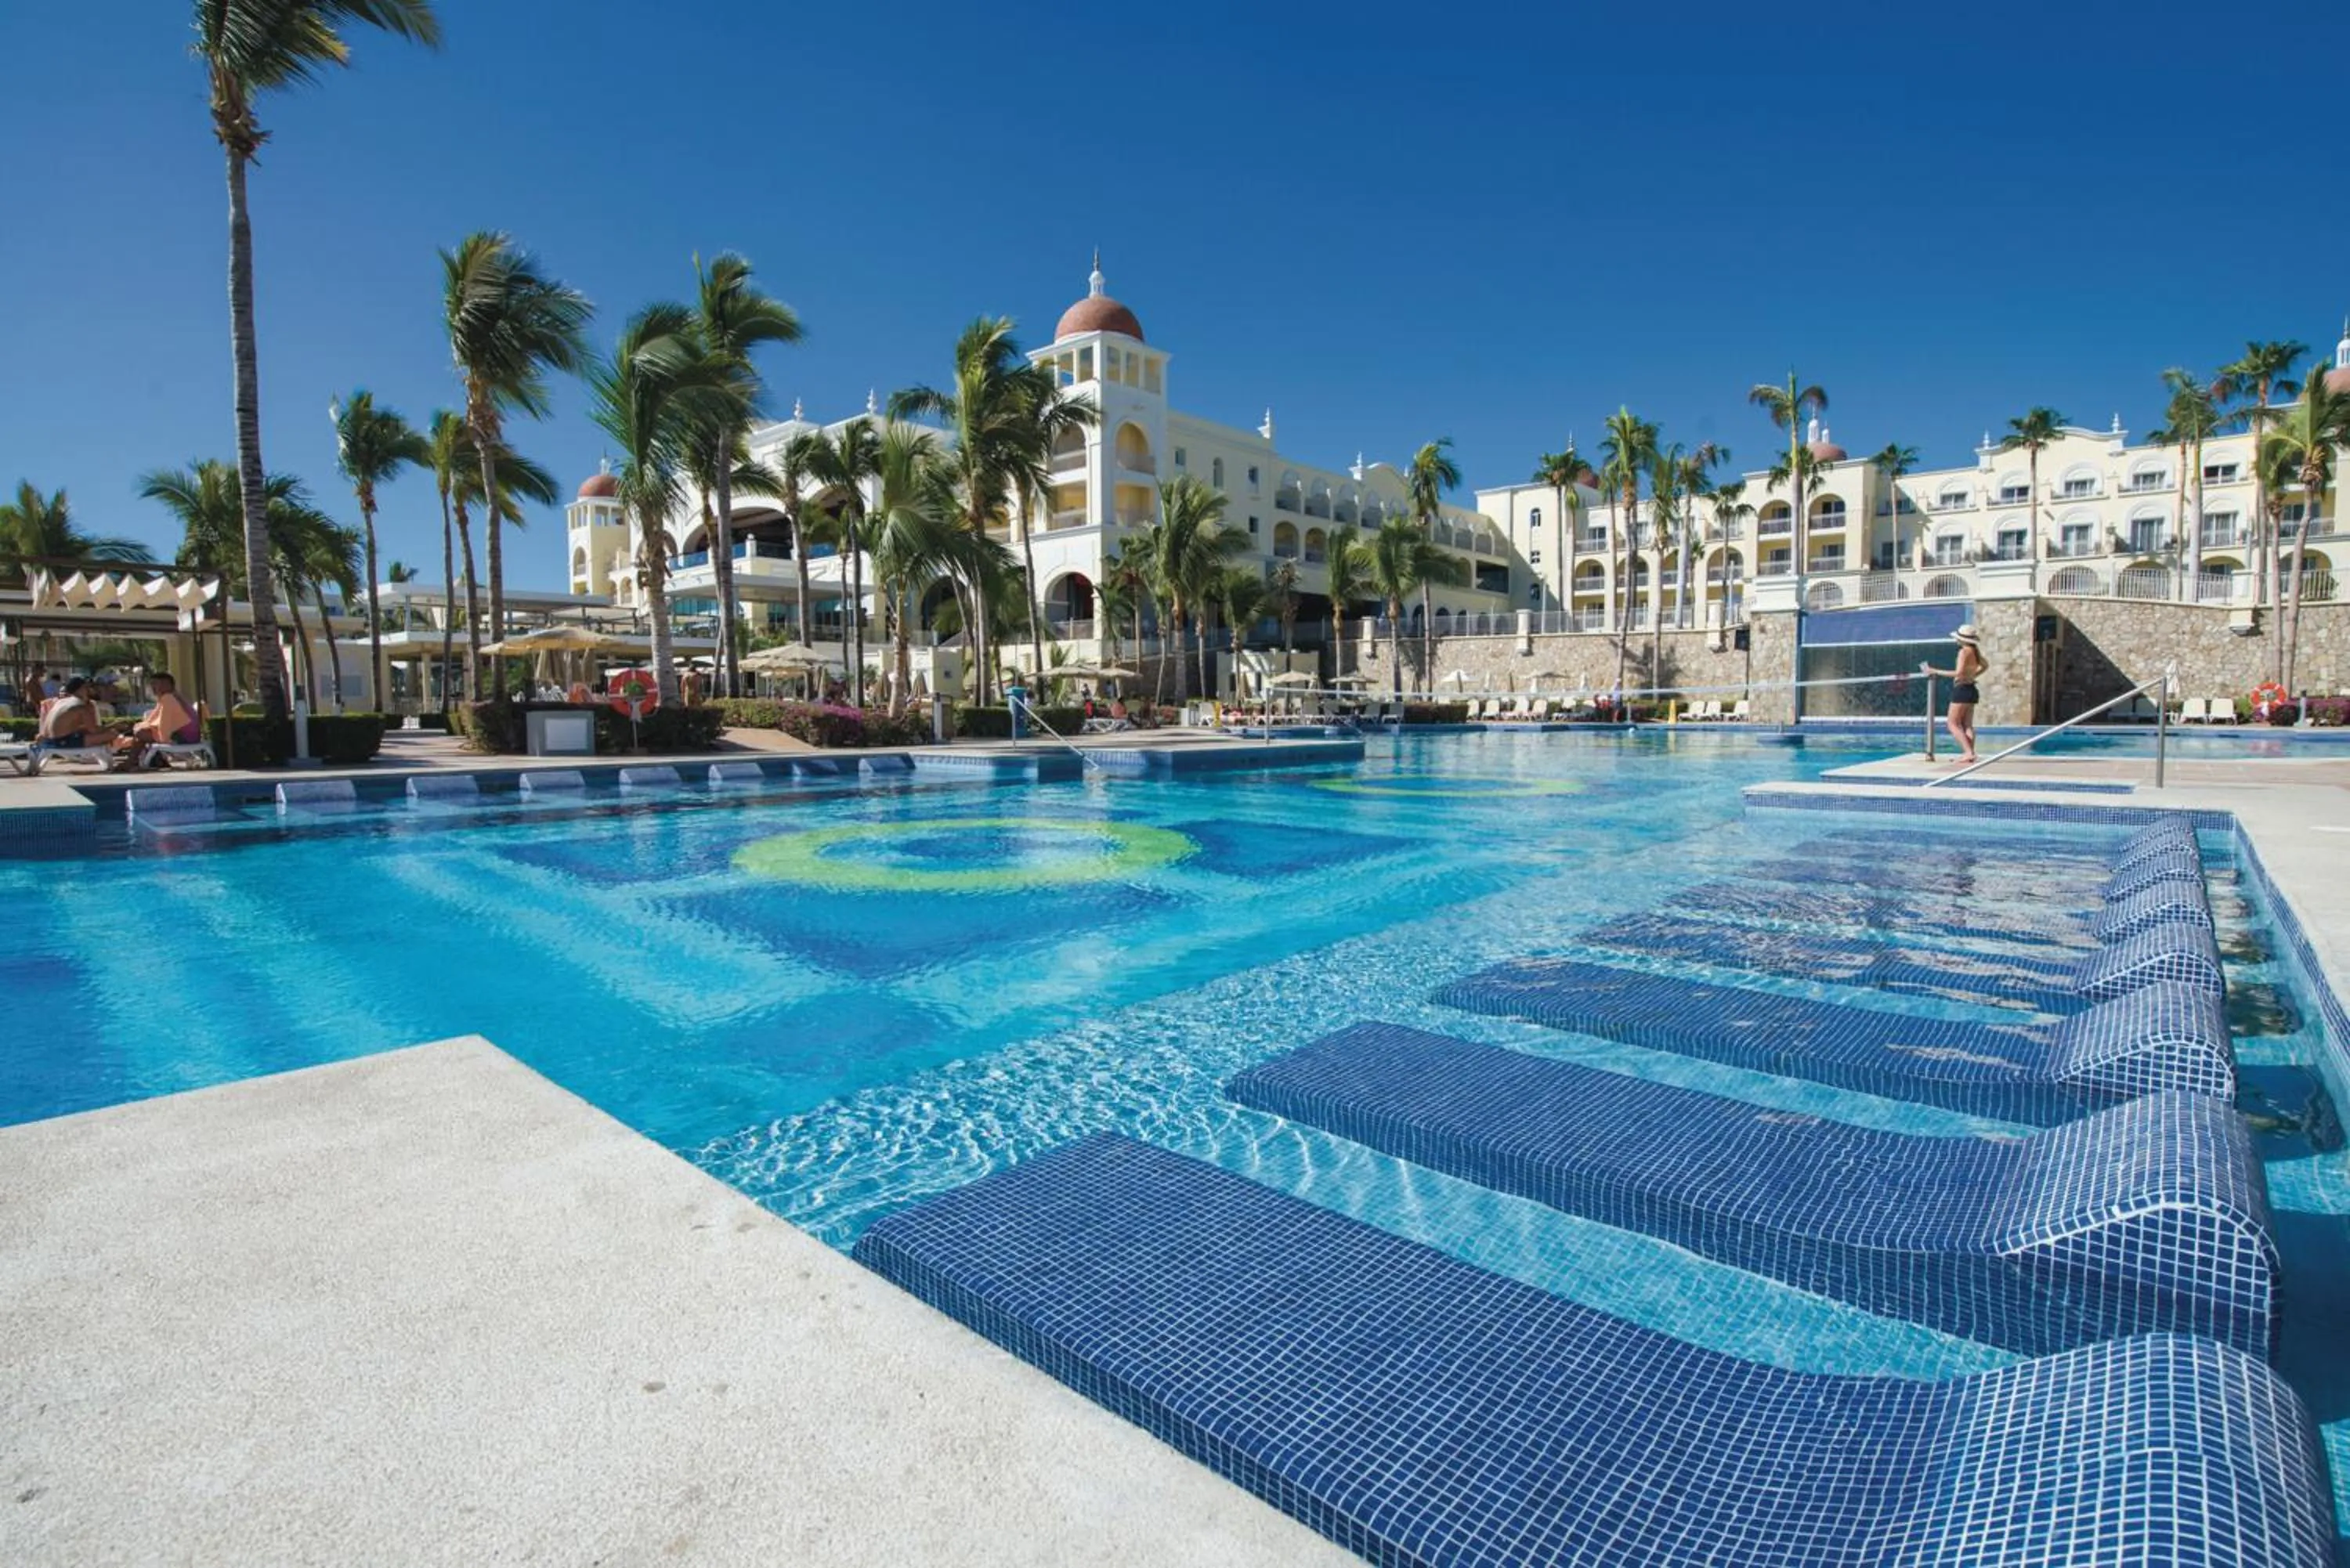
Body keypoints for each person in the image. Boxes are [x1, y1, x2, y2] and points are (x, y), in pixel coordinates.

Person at [1924, 623, 1988, 764]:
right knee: (1967, 725)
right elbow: (1985, 666)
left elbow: (1958, 673)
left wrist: (1935, 671)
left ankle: (1968, 753)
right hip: (1971, 688)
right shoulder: (1975, 652)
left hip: (1962, 689)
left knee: (1952, 724)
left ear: (1962, 639)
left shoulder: (1964, 652)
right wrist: (1973, 676)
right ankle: (1970, 753)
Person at [116, 672, 201, 769]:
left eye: (156, 684)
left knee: (141, 733)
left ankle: (131, 762)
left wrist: (162, 739)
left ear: (166, 685)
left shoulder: (168, 698)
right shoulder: (169, 697)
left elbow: (164, 724)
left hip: (184, 738)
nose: (153, 688)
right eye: (152, 684)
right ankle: (132, 762)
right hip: (182, 734)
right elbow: (152, 720)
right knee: (141, 733)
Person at [37, 675, 107, 755]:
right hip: (63, 744)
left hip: (49, 742)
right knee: (111, 734)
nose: (89, 690)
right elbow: (94, 730)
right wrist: (116, 726)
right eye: (87, 688)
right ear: (81, 689)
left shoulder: (60, 703)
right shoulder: (80, 706)